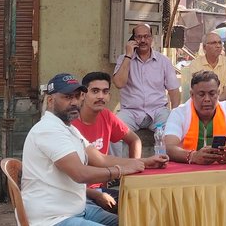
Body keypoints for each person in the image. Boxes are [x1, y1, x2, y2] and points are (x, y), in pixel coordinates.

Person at [22, 74, 167, 226]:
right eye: (67, 97)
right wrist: (119, 170)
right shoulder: (48, 130)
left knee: (134, 221)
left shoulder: (68, 128)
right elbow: (80, 174)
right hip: (53, 218)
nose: (74, 102)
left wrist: (144, 162)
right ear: (51, 100)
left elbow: (100, 159)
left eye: (77, 96)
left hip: (77, 209)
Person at [71, 72, 141, 212]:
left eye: (105, 92)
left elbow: (134, 140)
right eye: (95, 91)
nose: (101, 96)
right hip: (75, 194)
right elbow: (68, 178)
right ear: (83, 95)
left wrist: (133, 173)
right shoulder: (70, 124)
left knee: (143, 205)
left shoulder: (107, 116)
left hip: (101, 190)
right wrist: (96, 195)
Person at [162, 71, 226, 164]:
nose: (207, 99)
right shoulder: (179, 113)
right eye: (201, 94)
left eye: (212, 94)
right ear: (192, 94)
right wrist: (192, 156)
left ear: (218, 93)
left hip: (222, 172)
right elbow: (168, 147)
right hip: (187, 173)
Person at [112, 24, 181, 135]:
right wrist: (128, 55)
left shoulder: (163, 61)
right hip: (130, 112)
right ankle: (117, 154)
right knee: (114, 131)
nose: (143, 40)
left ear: (151, 38)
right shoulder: (123, 59)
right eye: (139, 37)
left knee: (171, 132)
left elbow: (174, 90)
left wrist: (175, 114)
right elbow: (119, 83)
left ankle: (162, 153)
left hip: (158, 111)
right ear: (133, 40)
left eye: (146, 36)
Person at [182, 32, 226, 102]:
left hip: (223, 104)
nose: (218, 46)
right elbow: (198, 92)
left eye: (220, 43)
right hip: (201, 104)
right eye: (214, 43)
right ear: (204, 47)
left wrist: (212, 102)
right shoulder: (195, 64)